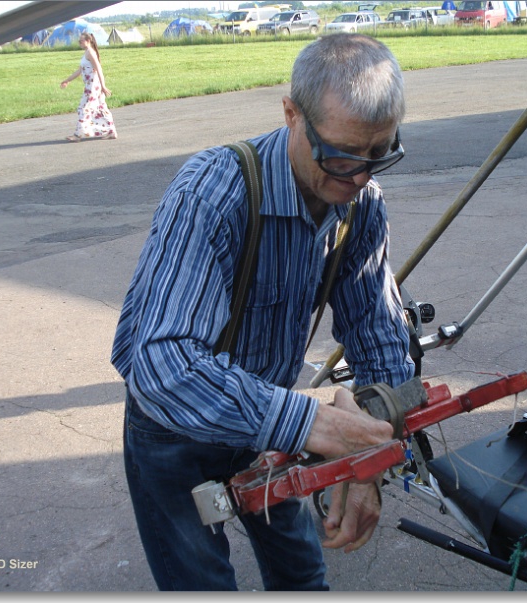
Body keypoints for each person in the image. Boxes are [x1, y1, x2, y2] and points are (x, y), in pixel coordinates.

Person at [111, 33, 415, 591]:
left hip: (266, 423)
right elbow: (162, 366)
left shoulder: (361, 203)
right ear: (292, 114)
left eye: (379, 154)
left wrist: (372, 451)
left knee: (303, 575)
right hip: (175, 431)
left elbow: (378, 335)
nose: (359, 177)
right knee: (201, 585)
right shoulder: (212, 192)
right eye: (341, 155)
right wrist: (314, 424)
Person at [60, 32, 117, 142]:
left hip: (92, 86)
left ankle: (78, 135)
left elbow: (99, 69)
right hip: (91, 85)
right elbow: (79, 71)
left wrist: (103, 86)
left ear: (88, 41)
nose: (79, 43)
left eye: (81, 41)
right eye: (79, 41)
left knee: (83, 108)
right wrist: (67, 80)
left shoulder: (90, 52)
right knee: (101, 107)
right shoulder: (87, 53)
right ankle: (111, 131)